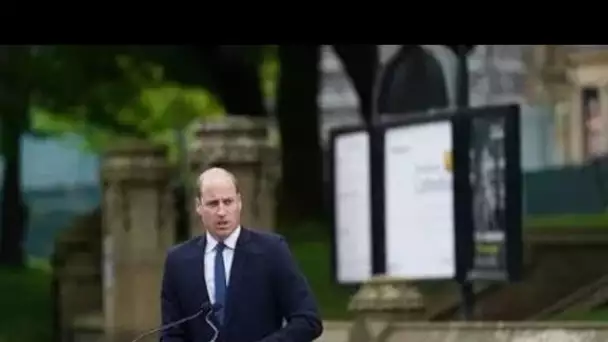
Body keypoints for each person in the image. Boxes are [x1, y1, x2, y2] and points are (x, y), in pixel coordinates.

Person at [160, 167, 323, 342]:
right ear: (198, 206)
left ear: (239, 202)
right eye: (213, 204)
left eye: (228, 202)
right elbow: (171, 334)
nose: (221, 212)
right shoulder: (178, 261)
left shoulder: (272, 251)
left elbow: (308, 320)